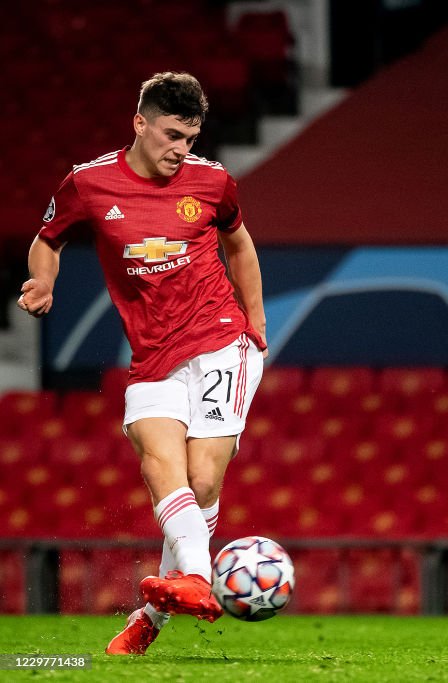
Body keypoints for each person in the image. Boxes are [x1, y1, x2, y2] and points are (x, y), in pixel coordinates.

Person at [18, 72, 267, 655]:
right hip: (151, 354)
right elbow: (47, 237)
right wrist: (44, 282)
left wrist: (257, 328)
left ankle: (163, 606)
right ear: (140, 123)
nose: (181, 150)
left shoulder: (212, 183)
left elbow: (241, 246)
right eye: (172, 135)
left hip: (217, 340)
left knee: (201, 479)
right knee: (163, 465)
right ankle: (184, 590)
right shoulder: (89, 182)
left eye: (191, 137)